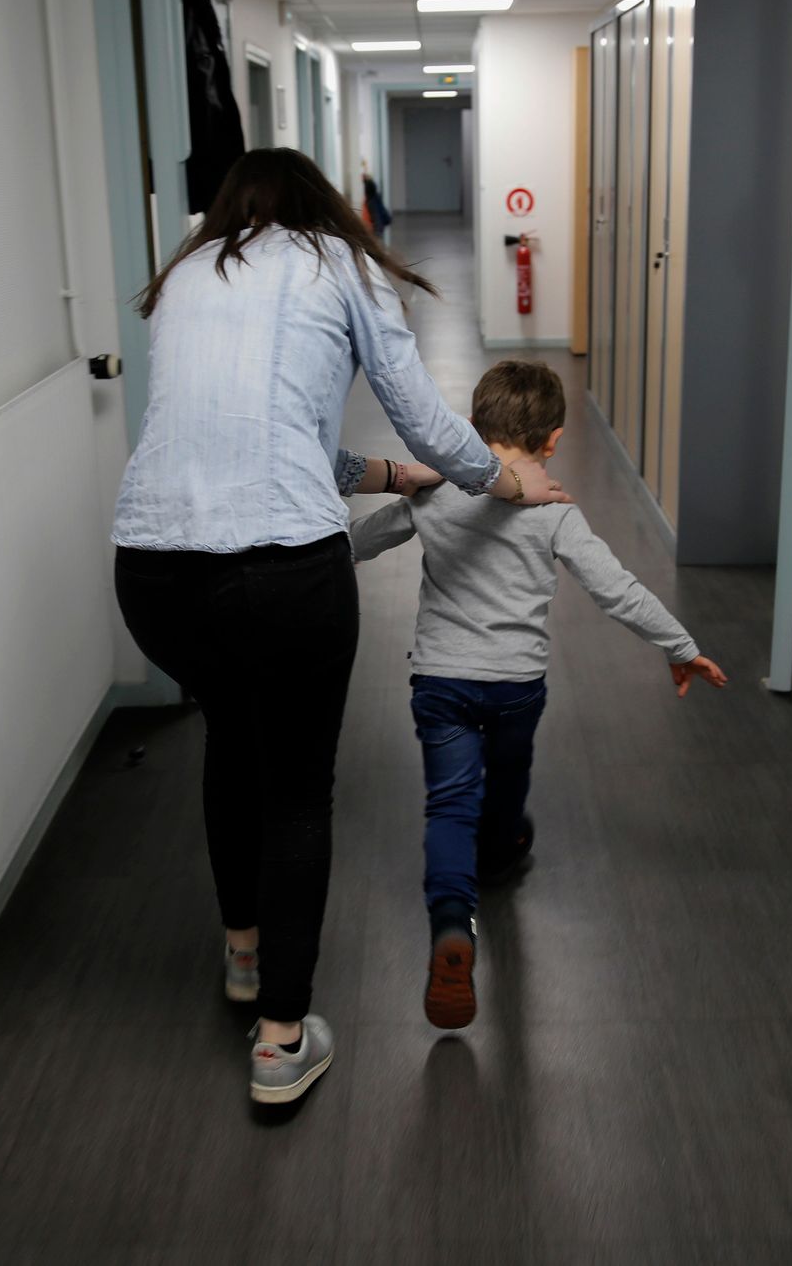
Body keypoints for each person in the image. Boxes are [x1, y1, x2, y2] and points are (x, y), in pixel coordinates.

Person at [111, 149, 570, 1104]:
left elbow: (265, 438)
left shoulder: (186, 273)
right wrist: (500, 479)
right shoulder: (341, 262)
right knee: (296, 793)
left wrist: (394, 480)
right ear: (320, 203)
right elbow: (427, 421)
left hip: (154, 576)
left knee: (231, 744)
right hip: (280, 574)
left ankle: (245, 957)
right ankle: (282, 1041)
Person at [348, 360, 727, 1030]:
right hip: (516, 686)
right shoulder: (554, 507)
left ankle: (452, 929)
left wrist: (309, 558)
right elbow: (616, 589)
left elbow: (364, 541)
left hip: (441, 681)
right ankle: (501, 851)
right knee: (508, 774)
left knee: (449, 805)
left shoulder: (436, 491)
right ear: (553, 440)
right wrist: (679, 645)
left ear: (472, 427)